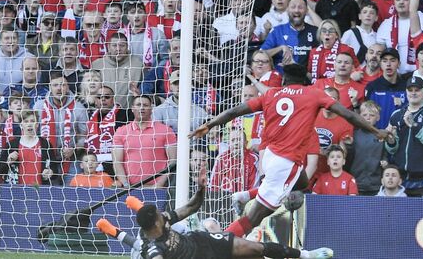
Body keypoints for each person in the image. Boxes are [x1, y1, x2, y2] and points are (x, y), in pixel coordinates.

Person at [189, 63, 388, 238]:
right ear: (305, 81)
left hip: (270, 156)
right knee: (255, 217)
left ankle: (245, 196)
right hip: (285, 162)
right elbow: (348, 114)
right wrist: (375, 130)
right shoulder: (313, 93)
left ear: (284, 80)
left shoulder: (270, 94)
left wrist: (211, 123)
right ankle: (220, 241)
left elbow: (236, 111)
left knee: (301, 182)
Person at [128, 166, 334, 259]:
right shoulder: (152, 249)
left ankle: (306, 255)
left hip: (204, 241)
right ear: (154, 225)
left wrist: (201, 189)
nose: (163, 215)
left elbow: (191, 207)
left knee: (254, 248)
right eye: (158, 215)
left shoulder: (163, 220)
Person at [385, 76, 423, 197]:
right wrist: (391, 142)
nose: (413, 93)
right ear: (406, 92)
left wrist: (414, 125)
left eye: (417, 90)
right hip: (401, 181)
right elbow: (392, 149)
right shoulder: (397, 114)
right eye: (410, 90)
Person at [33, 71, 88, 182]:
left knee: (74, 191)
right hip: (45, 159)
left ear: (67, 87)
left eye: (63, 85)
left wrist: (74, 148)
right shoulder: (39, 106)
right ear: (50, 87)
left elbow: (85, 135)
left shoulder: (79, 107)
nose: (59, 88)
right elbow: (33, 132)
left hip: (71, 159)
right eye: (55, 85)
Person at [112, 95, 177, 188]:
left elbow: (172, 161)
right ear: (132, 108)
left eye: (146, 105)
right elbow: (117, 161)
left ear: (151, 108)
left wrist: (159, 184)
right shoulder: (121, 131)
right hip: (129, 188)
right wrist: (125, 184)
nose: (142, 108)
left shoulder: (166, 130)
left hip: (158, 189)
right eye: (138, 105)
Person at [0, 110, 58, 185]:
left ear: (37, 124)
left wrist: (50, 173)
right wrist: (8, 161)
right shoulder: (11, 145)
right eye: (26, 121)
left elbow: (55, 169)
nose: (29, 124)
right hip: (17, 192)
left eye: (32, 121)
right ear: (21, 125)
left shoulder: (45, 144)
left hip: (40, 191)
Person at [260, 0, 319, 73]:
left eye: (300, 7)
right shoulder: (277, 31)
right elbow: (261, 55)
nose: (296, 10)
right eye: (293, 7)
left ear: (306, 11)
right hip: (280, 80)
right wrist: (281, 48)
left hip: (305, 80)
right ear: (287, 10)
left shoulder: (314, 31)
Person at [85, 85, 132, 176]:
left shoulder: (126, 115)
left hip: (119, 165)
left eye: (106, 97)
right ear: (95, 100)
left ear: (113, 99)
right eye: (99, 97)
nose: (103, 100)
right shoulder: (89, 117)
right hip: (93, 167)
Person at [91, 33, 144, 108]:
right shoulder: (97, 65)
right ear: (108, 47)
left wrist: (138, 93)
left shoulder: (138, 65)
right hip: (102, 113)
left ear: (127, 47)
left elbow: (145, 91)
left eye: (122, 45)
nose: (118, 49)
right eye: (114, 45)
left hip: (127, 114)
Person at [349, 101, 388, 195]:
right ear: (359, 117)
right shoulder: (353, 135)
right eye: (364, 115)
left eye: (372, 115)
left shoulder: (382, 135)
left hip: (376, 184)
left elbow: (385, 155)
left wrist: (385, 161)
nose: (368, 118)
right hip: (356, 183)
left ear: (378, 117)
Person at [0, 30, 34, 96]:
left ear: (18, 40)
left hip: (23, 101)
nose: (10, 41)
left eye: (14, 38)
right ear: (0, 41)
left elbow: (37, 83)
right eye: (7, 38)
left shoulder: (29, 57)